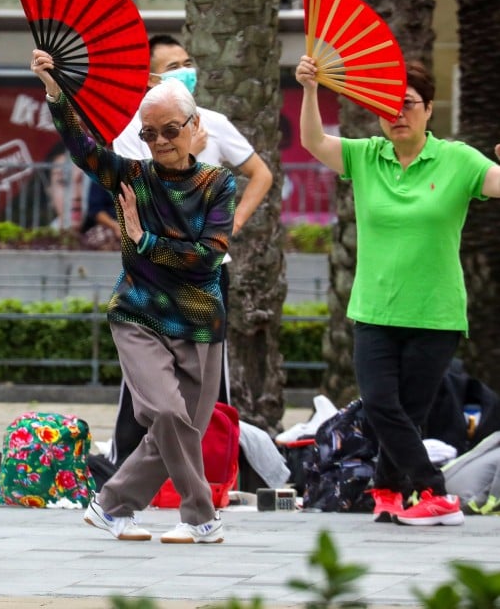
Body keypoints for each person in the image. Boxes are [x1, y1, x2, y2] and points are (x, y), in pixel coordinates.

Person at [31, 49, 236, 544]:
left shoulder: (217, 183)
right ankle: (200, 516)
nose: (160, 142)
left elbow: (209, 257)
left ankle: (111, 506)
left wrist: (146, 241)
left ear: (193, 126)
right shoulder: (132, 177)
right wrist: (55, 90)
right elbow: (83, 149)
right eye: (149, 133)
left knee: (183, 428)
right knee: (166, 414)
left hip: (202, 322)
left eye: (170, 130)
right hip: (138, 312)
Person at [296, 54, 500, 526]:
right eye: (388, 106)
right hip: (374, 308)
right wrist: (309, 90)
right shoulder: (367, 156)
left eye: (408, 104)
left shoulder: (457, 160)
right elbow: (312, 141)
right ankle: (432, 491)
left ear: (429, 109)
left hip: (435, 312)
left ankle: (387, 490)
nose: (397, 114)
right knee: (381, 404)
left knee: (408, 412)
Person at [107, 34, 273, 466]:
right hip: (153, 274)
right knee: (146, 383)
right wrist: (181, 160)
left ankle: (211, 471)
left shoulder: (213, 122)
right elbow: (135, 199)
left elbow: (261, 174)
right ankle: (126, 468)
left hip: (206, 273)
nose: (185, 70)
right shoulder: (132, 133)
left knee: (207, 381)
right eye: (172, 65)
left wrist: (231, 223)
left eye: (188, 61)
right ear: (151, 79)